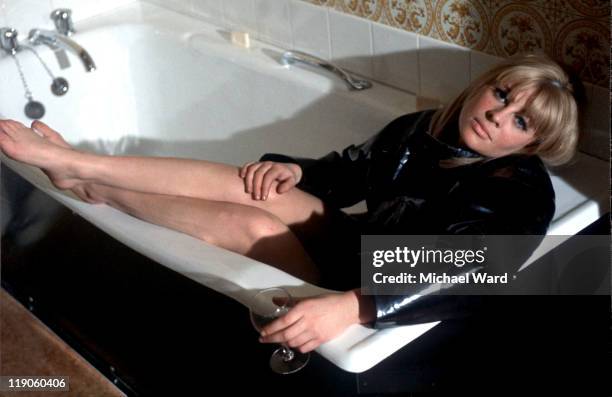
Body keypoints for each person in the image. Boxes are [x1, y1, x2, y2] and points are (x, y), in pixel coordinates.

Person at [0, 53, 581, 354]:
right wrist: (298, 169)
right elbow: (352, 170)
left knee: (243, 221)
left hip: (374, 291)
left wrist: (354, 307)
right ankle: (82, 166)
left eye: (519, 120)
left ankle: (97, 189)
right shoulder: (425, 127)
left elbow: (469, 272)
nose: (496, 115)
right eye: (500, 93)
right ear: (484, 85)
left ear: (533, 142)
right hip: (359, 250)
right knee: (260, 187)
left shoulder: (521, 192)